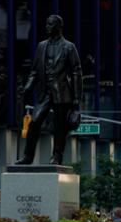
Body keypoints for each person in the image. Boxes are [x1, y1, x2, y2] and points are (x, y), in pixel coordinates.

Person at [15, 15, 82, 165]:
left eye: (50, 24)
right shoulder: (41, 46)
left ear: (59, 26)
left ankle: (56, 156)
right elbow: (34, 72)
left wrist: (77, 98)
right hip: (45, 93)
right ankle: (28, 156)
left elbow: (77, 73)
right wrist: (26, 88)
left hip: (62, 94)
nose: (47, 27)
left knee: (59, 128)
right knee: (34, 122)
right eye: (47, 24)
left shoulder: (69, 47)